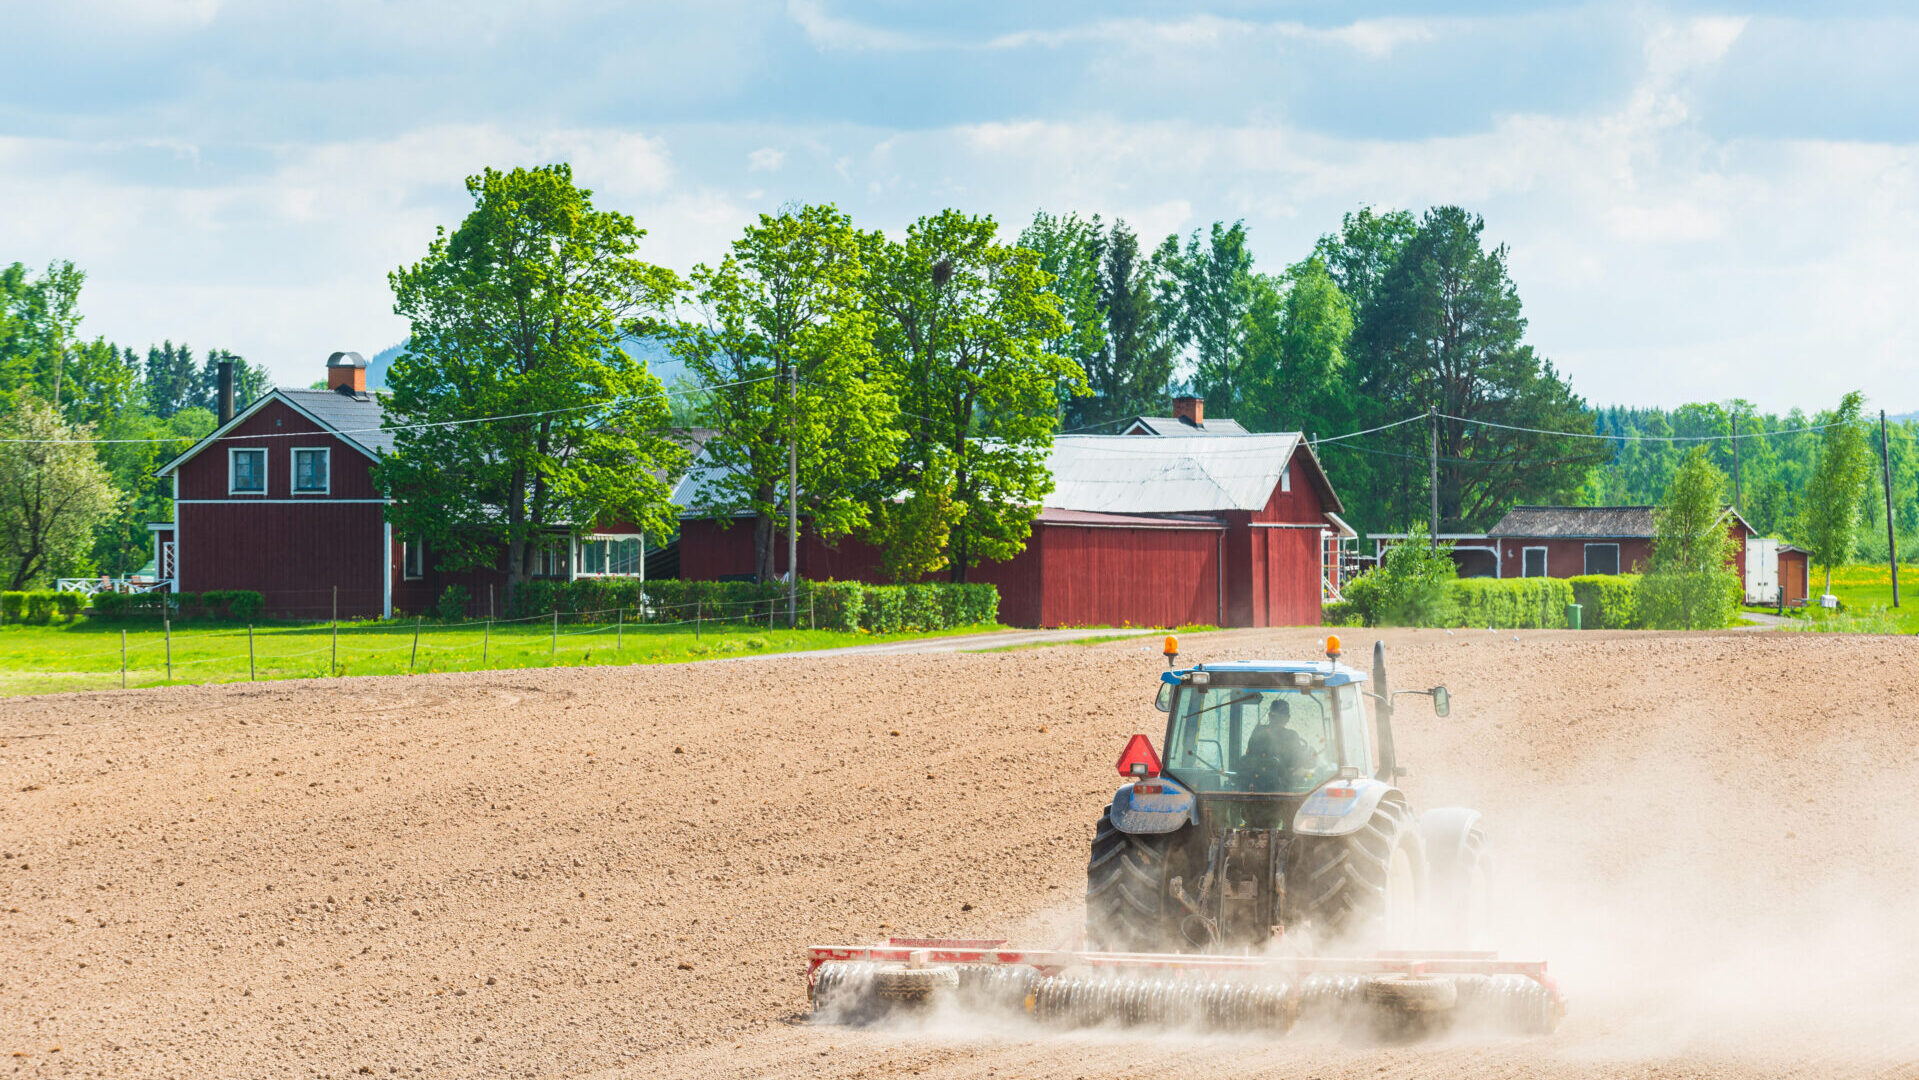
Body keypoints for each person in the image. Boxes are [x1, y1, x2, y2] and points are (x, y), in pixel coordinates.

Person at [1240, 697, 1313, 791]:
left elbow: (1249, 756)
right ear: (1288, 718)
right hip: (1282, 789)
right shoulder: (1292, 736)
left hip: (1255, 786)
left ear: (1270, 715)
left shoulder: (1258, 731)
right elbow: (1297, 764)